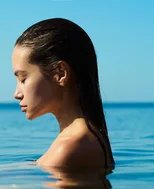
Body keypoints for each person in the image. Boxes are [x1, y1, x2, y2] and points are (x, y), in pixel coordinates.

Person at [12, 18, 115, 170]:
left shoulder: (71, 146)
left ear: (60, 73)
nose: (16, 93)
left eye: (23, 79)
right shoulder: (80, 140)